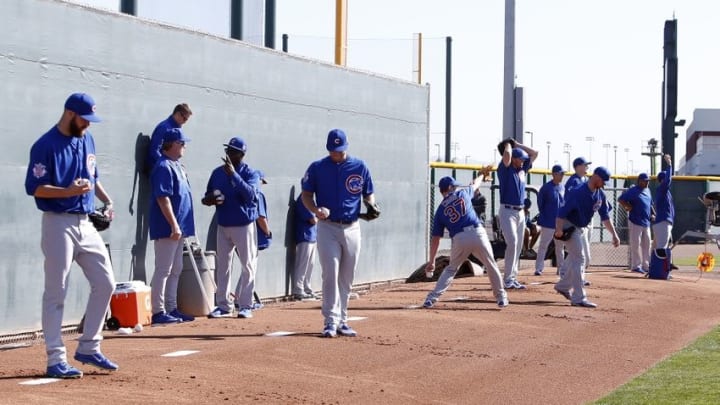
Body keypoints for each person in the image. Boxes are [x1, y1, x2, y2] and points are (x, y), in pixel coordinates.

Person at [25, 93, 119, 378]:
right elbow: (36, 188)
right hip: (58, 224)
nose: (88, 125)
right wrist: (68, 191)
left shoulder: (86, 139)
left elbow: (93, 178)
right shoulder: (45, 145)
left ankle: (89, 346)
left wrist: (108, 200)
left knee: (106, 283)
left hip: (84, 222)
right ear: (69, 114)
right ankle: (55, 358)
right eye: (84, 119)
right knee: (57, 291)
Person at [301, 129, 376, 338]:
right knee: (330, 273)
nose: (337, 153)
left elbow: (368, 193)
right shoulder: (317, 167)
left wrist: (371, 206)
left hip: (352, 227)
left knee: (347, 276)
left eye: (340, 150)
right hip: (328, 227)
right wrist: (315, 210)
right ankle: (330, 321)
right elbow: (306, 195)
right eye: (333, 150)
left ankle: (343, 320)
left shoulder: (359, 166)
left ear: (346, 146)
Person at [423, 175, 508, 309]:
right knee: (491, 265)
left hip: (459, 238)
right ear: (450, 188)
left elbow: (435, 239)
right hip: (477, 232)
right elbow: (475, 184)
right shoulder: (462, 193)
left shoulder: (440, 211)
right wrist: (482, 176)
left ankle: (431, 299)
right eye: (454, 186)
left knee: (451, 269)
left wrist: (432, 261)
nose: (456, 188)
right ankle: (501, 297)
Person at [202, 137, 260, 319]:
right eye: (228, 150)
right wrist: (210, 199)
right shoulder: (217, 173)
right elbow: (206, 196)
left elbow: (250, 196)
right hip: (224, 223)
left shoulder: (250, 173)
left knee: (247, 265)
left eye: (233, 151)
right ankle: (224, 306)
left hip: (244, 225)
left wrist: (234, 175)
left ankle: (245, 305)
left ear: (241, 155)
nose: (229, 154)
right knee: (223, 266)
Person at [149, 128, 196, 324]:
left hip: (180, 227)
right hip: (167, 227)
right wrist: (174, 225)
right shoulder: (163, 166)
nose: (184, 146)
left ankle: (171, 307)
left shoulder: (177, 165)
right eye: (182, 143)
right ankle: (158, 311)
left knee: (176, 268)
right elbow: (162, 198)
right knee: (164, 269)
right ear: (173, 144)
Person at [554, 167, 620, 308]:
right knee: (580, 258)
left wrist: (614, 234)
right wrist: (559, 229)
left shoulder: (600, 194)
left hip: (581, 228)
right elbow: (561, 212)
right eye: (603, 181)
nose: (604, 185)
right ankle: (578, 298)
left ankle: (563, 286)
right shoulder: (577, 192)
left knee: (575, 259)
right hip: (569, 226)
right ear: (596, 177)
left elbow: (605, 217)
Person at [497, 140, 538, 289]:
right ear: (513, 159)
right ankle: (507, 279)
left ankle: (512, 277)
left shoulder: (522, 169)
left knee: (518, 245)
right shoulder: (505, 170)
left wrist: (517, 144)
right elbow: (507, 155)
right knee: (512, 243)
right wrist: (508, 145)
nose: (522, 161)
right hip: (507, 211)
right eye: (520, 159)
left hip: (520, 212)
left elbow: (535, 153)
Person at [618, 172, 653, 274]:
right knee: (635, 244)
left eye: (648, 181)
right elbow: (621, 199)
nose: (647, 183)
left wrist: (653, 214)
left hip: (646, 222)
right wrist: (627, 206)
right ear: (639, 181)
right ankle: (636, 266)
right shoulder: (633, 190)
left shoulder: (648, 190)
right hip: (635, 221)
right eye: (645, 181)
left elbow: (650, 204)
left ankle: (646, 266)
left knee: (647, 245)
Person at [534, 164, 566, 276]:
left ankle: (561, 269)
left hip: (559, 224)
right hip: (548, 222)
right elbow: (540, 204)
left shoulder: (563, 187)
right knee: (543, 245)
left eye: (563, 174)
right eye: (560, 174)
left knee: (560, 247)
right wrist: (546, 215)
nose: (562, 176)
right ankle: (538, 268)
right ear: (554, 174)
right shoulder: (546, 188)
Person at [566, 157, 593, 285]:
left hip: (583, 222)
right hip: (574, 223)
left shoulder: (583, 180)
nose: (587, 167)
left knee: (577, 255)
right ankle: (575, 279)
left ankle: (567, 276)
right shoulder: (573, 181)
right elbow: (570, 202)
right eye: (585, 165)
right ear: (577, 167)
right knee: (583, 256)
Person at [147, 103, 192, 171]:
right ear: (178, 114)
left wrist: (176, 165)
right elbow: (154, 151)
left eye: (187, 120)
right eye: (184, 118)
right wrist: (168, 165)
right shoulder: (164, 128)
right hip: (158, 169)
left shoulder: (176, 128)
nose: (185, 122)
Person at [293, 193, 319, 300]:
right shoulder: (303, 200)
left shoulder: (312, 201)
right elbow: (313, 220)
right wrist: (321, 215)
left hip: (312, 236)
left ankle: (307, 288)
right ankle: (298, 290)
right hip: (304, 236)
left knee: (310, 264)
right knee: (302, 264)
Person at [653, 154, 675, 250]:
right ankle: (659, 265)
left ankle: (654, 264)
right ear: (662, 180)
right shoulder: (663, 188)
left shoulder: (664, 192)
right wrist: (669, 164)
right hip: (663, 222)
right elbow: (667, 180)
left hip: (662, 221)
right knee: (662, 249)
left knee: (659, 248)